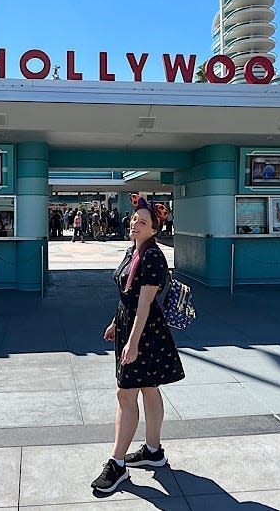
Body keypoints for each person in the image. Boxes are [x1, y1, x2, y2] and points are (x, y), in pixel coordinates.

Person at [91, 197, 185, 493]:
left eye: (143, 221)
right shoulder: (135, 249)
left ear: (155, 228)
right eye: (134, 218)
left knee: (125, 394)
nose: (135, 223)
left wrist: (131, 344)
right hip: (133, 325)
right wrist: (114, 323)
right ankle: (153, 452)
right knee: (149, 388)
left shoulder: (153, 256)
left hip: (144, 333)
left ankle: (117, 463)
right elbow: (128, 296)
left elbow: (144, 304)